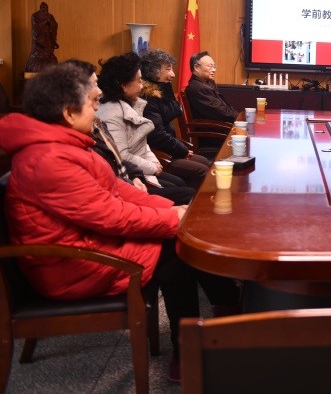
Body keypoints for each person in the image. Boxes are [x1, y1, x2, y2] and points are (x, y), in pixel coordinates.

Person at [0, 63, 199, 383]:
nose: (97, 110)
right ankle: (190, 350)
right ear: (68, 113)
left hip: (86, 245)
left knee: (182, 229)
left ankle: (220, 319)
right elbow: (112, 215)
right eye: (93, 102)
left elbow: (118, 191)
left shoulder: (62, 143)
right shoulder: (49, 160)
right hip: (73, 267)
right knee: (178, 249)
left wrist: (174, 210)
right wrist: (172, 219)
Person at [96, 52, 195, 204]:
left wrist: (154, 163)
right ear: (124, 86)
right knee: (187, 192)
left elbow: (142, 140)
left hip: (141, 166)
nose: (142, 86)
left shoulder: (131, 103)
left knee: (179, 183)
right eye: (139, 81)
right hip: (129, 176)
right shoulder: (112, 113)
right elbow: (121, 156)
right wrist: (152, 167)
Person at [140, 49, 210, 188]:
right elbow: (157, 136)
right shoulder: (147, 98)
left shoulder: (161, 90)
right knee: (202, 169)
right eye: (168, 69)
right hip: (157, 152)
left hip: (168, 147)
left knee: (204, 161)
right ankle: (193, 199)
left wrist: (166, 87)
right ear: (154, 72)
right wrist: (182, 150)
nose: (173, 74)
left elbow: (174, 111)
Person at [184, 51, 239, 123]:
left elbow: (223, 106)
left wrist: (238, 116)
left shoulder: (208, 82)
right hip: (212, 128)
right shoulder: (197, 88)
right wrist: (239, 118)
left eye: (214, 66)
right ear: (196, 67)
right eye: (210, 66)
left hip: (221, 123)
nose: (214, 70)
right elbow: (219, 112)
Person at [24, 2, 59, 72]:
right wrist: (45, 22)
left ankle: (48, 55)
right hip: (40, 38)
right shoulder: (35, 16)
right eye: (43, 8)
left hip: (48, 36)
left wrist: (50, 23)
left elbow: (55, 24)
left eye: (46, 8)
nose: (45, 10)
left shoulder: (50, 16)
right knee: (37, 56)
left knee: (49, 53)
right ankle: (38, 56)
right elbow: (35, 27)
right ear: (40, 8)